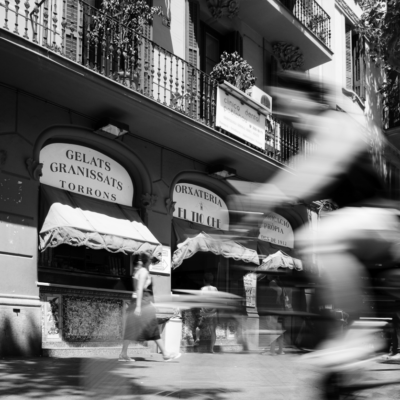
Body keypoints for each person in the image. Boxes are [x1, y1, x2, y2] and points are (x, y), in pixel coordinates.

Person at [230, 71, 400, 356]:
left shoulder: (336, 124)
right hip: (365, 226)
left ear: (305, 98)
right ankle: (349, 340)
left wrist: (257, 200)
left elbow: (308, 175)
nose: (283, 114)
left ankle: (359, 334)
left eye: (285, 103)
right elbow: (301, 177)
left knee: (316, 238)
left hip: (382, 220)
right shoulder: (321, 135)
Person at [119, 253, 181, 362]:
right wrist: (139, 306)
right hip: (142, 304)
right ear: (147, 261)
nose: (151, 263)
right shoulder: (143, 272)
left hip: (139, 303)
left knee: (131, 329)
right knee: (153, 327)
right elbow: (139, 289)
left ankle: (123, 353)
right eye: (150, 261)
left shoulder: (137, 271)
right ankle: (166, 354)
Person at [193, 273, 218, 353]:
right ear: (212, 281)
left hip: (204, 313)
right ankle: (211, 349)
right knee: (213, 331)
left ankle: (197, 339)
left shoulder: (203, 289)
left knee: (198, 327)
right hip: (213, 313)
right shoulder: (215, 289)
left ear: (204, 281)